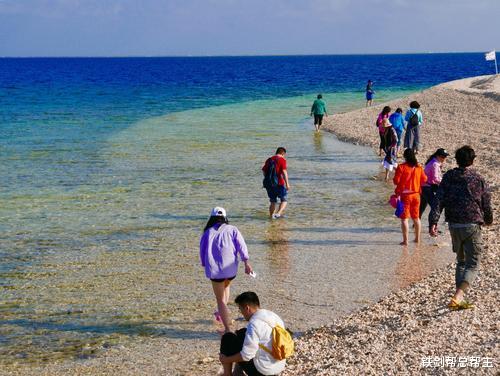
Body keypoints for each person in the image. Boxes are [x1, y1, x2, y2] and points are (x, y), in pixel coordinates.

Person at [429, 146, 493, 310]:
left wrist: (433, 221)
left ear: (456, 160)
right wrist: (488, 220)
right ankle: (458, 296)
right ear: (472, 161)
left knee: (461, 261)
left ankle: (459, 299)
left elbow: (438, 200)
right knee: (473, 263)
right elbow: (486, 202)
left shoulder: (449, 176)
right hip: (472, 224)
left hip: (454, 225)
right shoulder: (477, 178)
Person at [200, 207, 253, 333]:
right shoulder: (232, 229)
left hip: (215, 271)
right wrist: (246, 262)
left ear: (212, 218)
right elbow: (242, 246)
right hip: (230, 270)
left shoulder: (208, 232)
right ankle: (221, 313)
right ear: (225, 217)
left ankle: (228, 329)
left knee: (220, 300)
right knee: (226, 287)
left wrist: (204, 263)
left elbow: (202, 251)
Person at [219, 292, 287, 376]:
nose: (242, 314)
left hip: (263, 371)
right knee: (242, 333)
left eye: (240, 309)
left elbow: (246, 356)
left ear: (247, 308)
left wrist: (226, 359)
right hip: (278, 366)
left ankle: (227, 374)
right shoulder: (273, 316)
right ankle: (237, 372)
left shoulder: (254, 324)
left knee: (227, 338)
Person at [393, 148, 427, 245]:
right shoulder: (419, 167)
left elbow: (396, 181)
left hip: (405, 195)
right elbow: (424, 179)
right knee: (416, 218)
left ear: (405, 157)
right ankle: (417, 239)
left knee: (405, 218)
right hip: (416, 195)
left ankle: (405, 241)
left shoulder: (401, 167)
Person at [419, 148, 449, 219]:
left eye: (445, 157)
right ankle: (432, 227)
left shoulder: (433, 161)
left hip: (424, 186)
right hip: (428, 187)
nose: (444, 159)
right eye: (443, 157)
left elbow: (435, 178)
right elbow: (435, 179)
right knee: (435, 207)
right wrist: (444, 182)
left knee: (422, 207)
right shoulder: (435, 164)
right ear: (437, 156)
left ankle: (416, 225)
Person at [262, 147, 290, 219]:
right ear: (283, 153)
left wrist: (268, 179)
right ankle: (278, 213)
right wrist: (287, 184)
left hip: (269, 184)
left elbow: (264, 171)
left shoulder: (269, 159)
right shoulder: (282, 160)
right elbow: (284, 172)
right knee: (284, 199)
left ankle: (271, 217)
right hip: (279, 183)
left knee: (272, 201)